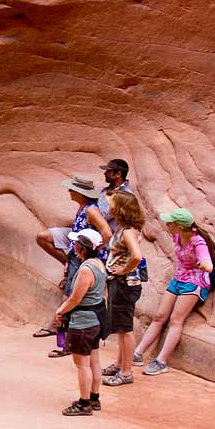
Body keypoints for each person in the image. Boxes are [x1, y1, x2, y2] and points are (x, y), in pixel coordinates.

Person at [33, 177, 112, 356]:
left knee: (71, 295)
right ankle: (62, 334)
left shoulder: (91, 210)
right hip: (76, 249)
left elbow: (106, 232)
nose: (69, 192)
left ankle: (65, 340)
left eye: (72, 189)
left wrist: (92, 252)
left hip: (82, 254)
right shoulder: (84, 207)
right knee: (71, 291)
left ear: (80, 193)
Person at [137, 209, 215, 374]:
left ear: (179, 226)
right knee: (159, 317)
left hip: (194, 282)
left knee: (175, 320)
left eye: (170, 223)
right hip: (179, 279)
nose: (167, 225)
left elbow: (208, 265)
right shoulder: (178, 236)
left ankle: (161, 361)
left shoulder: (198, 242)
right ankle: (137, 353)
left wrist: (203, 264)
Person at [52, 228, 107, 415]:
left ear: (82, 247)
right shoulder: (99, 264)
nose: (73, 246)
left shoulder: (85, 270)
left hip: (83, 322)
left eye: (76, 243)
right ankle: (94, 398)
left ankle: (84, 404)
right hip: (96, 320)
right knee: (94, 361)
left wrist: (60, 311)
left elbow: (75, 299)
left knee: (82, 364)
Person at [101, 192, 148, 387]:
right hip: (118, 283)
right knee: (120, 327)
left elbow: (136, 256)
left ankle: (126, 372)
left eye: (112, 204)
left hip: (124, 284)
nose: (109, 208)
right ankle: (120, 364)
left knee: (125, 328)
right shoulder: (124, 228)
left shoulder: (128, 232)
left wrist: (122, 270)